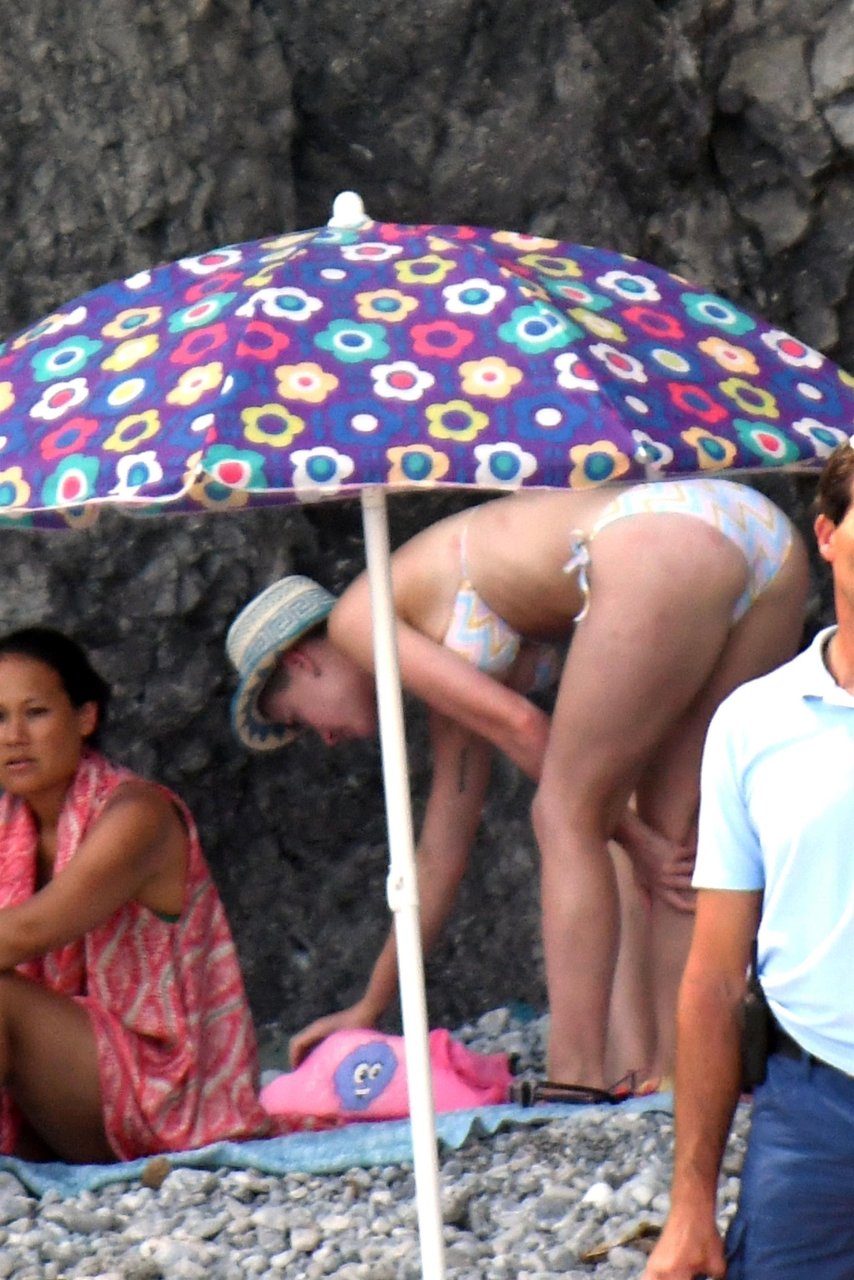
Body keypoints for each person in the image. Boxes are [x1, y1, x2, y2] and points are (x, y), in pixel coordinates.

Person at [227, 478, 809, 1092]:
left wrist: (633, 837)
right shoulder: (428, 639)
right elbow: (439, 853)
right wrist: (370, 1006)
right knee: (680, 836)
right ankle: (679, 1080)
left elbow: (526, 727)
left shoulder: (357, 619)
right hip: (763, 540)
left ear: (301, 662)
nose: (324, 739)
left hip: (660, 540)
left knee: (565, 816)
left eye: (299, 720)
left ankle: (575, 1078)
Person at [644, 445, 854, 1280]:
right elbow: (713, 978)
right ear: (827, 536)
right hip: (814, 1103)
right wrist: (689, 1206)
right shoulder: (753, 723)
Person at [0, 626, 276, 1163]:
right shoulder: (11, 823)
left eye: (35, 713)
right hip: (66, 1091)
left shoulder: (138, 815)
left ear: (86, 717)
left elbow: (27, 932)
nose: (14, 736)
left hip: (165, 1096)